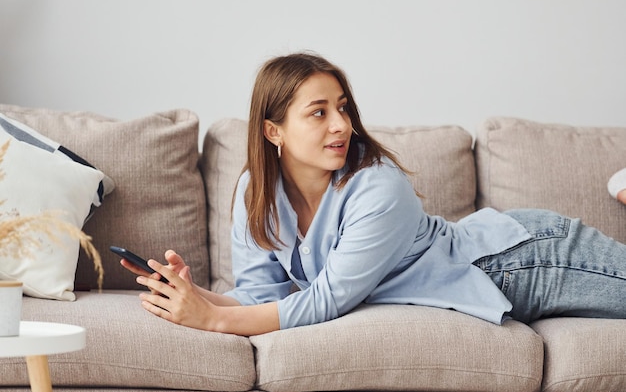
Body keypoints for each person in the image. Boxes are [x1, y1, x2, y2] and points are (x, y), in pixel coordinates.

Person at [121, 52, 626, 336]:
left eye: (341, 107)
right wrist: (190, 295)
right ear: (274, 132)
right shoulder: (256, 191)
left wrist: (210, 320)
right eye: (318, 112)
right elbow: (262, 298)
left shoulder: (379, 185)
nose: (341, 124)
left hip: (531, 259)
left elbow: (326, 301)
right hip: (508, 266)